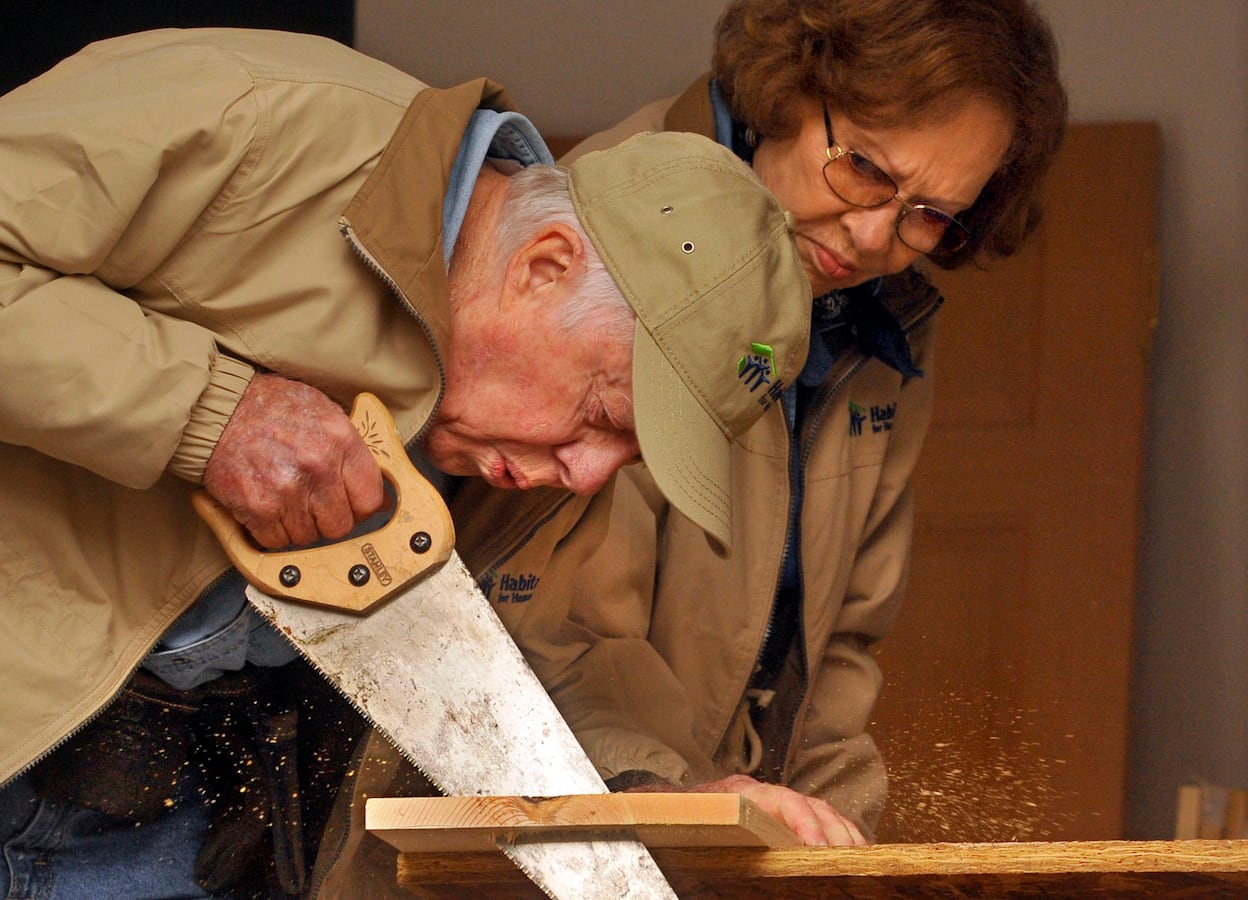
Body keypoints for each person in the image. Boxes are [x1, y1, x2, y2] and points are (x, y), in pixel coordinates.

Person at [0, 27, 814, 900]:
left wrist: (659, 802)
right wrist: (213, 413)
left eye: (627, 453)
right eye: (604, 411)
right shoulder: (270, 120)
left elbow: (521, 656)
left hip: (150, 816)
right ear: (544, 264)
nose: (586, 472)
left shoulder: (503, 433)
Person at [315, 0, 1070, 879]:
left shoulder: (884, 318)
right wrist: (690, 808)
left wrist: (833, 859)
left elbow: (839, 649)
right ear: (788, 89)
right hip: (571, 821)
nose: (876, 237)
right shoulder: (621, 245)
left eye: (932, 214)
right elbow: (543, 633)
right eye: (864, 167)